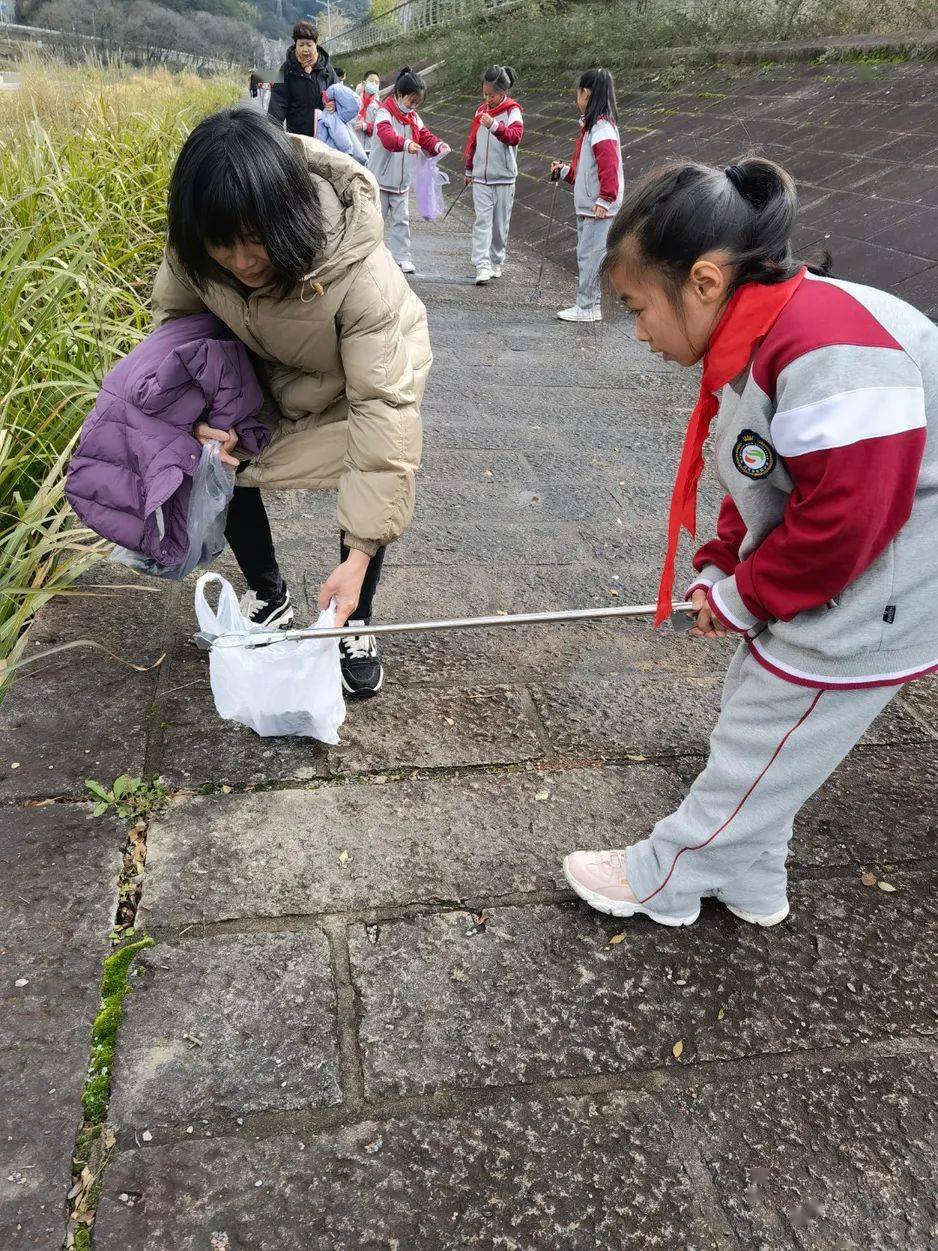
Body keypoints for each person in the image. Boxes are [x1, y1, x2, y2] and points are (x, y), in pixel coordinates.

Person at [563, 156, 938, 927]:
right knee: (758, 698)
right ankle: (753, 878)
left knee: (774, 717)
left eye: (637, 308)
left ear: (703, 282)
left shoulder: (826, 349)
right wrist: (721, 565)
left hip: (897, 567)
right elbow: (760, 472)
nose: (637, 331)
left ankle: (667, 876)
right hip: (874, 549)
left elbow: (845, 520)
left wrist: (746, 596)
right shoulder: (759, 333)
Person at [151, 108, 432, 699]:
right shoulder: (196, 248)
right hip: (266, 369)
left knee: (365, 468)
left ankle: (350, 617)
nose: (242, 261)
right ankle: (268, 592)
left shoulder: (358, 271)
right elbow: (177, 331)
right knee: (225, 459)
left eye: (255, 240)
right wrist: (202, 418)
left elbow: (384, 418)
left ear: (287, 216)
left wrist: (358, 555)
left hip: (360, 378)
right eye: (221, 245)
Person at [551, 68, 623, 323]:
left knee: (591, 257)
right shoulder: (593, 128)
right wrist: (565, 172)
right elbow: (586, 172)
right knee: (588, 256)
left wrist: (605, 199)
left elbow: (609, 168)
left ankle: (588, 306)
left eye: (578, 92)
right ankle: (588, 304)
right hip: (591, 205)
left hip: (597, 208)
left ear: (586, 93)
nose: (577, 98)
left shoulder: (601, 128)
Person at [368, 66, 451, 275]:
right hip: (381, 179)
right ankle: (369, 256)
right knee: (376, 220)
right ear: (398, 95)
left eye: (417, 103)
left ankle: (401, 257)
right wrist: (405, 144)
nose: (413, 106)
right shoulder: (384, 112)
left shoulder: (414, 117)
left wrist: (438, 145)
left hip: (402, 182)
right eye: (410, 101)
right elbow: (387, 138)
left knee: (401, 220)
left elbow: (424, 137)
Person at [463, 64, 523, 285]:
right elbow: (473, 141)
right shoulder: (480, 111)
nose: (487, 98)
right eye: (484, 93)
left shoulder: (513, 111)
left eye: (492, 95)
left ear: (503, 93)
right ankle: (482, 264)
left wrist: (495, 126)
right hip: (480, 178)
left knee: (499, 225)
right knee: (482, 221)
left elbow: (515, 136)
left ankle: (496, 260)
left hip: (504, 177)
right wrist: (469, 169)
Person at [268, 20, 337, 137]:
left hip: (325, 135)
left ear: (316, 45)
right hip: (297, 136)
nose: (305, 49)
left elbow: (339, 96)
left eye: (309, 45)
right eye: (301, 45)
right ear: (295, 45)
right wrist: (275, 136)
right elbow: (277, 103)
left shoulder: (327, 70)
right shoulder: (286, 69)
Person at [316, 82, 368, 165]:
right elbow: (340, 135)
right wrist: (347, 151)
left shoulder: (332, 115)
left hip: (334, 158)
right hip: (341, 158)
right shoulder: (333, 115)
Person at [354, 69, 382, 156]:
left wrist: (365, 126)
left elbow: (380, 125)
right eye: (371, 80)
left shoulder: (379, 106)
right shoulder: (354, 101)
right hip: (355, 145)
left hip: (370, 148)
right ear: (364, 83)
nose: (374, 83)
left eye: (376, 82)